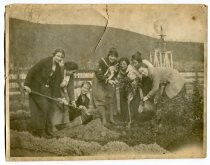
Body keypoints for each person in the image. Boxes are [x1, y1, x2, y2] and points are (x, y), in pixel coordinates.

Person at [23, 48, 66, 137]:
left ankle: (48, 130)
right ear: (53, 55)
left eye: (61, 57)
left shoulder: (58, 67)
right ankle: (39, 131)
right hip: (35, 87)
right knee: (44, 107)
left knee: (50, 107)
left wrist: (57, 97)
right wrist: (26, 85)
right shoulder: (45, 61)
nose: (59, 58)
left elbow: (56, 83)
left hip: (45, 89)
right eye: (58, 56)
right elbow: (32, 71)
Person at [92, 48, 119, 126]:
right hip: (99, 81)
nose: (112, 58)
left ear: (116, 57)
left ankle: (111, 119)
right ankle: (104, 120)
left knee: (111, 97)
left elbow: (115, 74)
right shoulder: (102, 61)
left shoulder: (116, 64)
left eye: (114, 56)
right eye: (111, 56)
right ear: (108, 55)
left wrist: (115, 80)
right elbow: (98, 73)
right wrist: (107, 80)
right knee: (101, 98)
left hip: (109, 81)